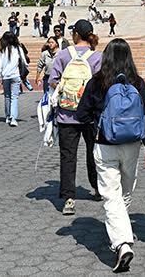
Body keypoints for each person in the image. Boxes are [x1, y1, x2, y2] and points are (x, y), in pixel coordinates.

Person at [74, 38, 145, 272]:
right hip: (132, 145)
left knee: (111, 195)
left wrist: (95, 127)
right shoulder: (137, 83)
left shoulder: (97, 81)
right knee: (125, 192)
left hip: (105, 144)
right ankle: (122, 237)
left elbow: (81, 114)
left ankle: (121, 240)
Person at [49, 19, 102, 215]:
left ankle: (69, 198)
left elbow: (53, 80)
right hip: (89, 115)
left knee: (68, 156)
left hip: (66, 114)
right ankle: (97, 188)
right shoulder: (97, 57)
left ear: (76, 35)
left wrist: (65, 89)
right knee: (94, 153)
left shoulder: (63, 55)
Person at [0, 32, 26, 127]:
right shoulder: (18, 49)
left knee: (7, 96)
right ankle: (13, 118)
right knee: (14, 97)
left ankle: (8, 116)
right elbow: (24, 61)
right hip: (15, 75)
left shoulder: (1, 51)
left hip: (5, 76)